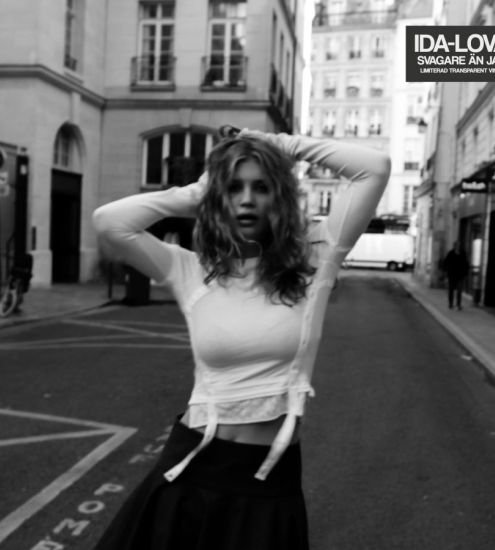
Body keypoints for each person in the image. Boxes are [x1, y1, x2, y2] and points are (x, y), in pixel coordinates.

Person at [92, 128, 391, 550]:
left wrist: (280, 145)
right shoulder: (192, 270)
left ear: (279, 197)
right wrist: (201, 192)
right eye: (234, 188)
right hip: (189, 469)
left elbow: (374, 168)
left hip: (267, 480)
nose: (247, 199)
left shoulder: (316, 258)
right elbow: (109, 222)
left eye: (261, 187)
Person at [443, 241, 469, 310]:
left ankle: (458, 304)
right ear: (454, 246)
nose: (458, 246)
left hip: (460, 275)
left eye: (459, 245)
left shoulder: (463, 253)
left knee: (459, 291)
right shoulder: (450, 253)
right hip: (451, 275)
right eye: (457, 245)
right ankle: (450, 304)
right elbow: (446, 262)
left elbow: (466, 263)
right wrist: (445, 272)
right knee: (451, 290)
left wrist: (466, 273)